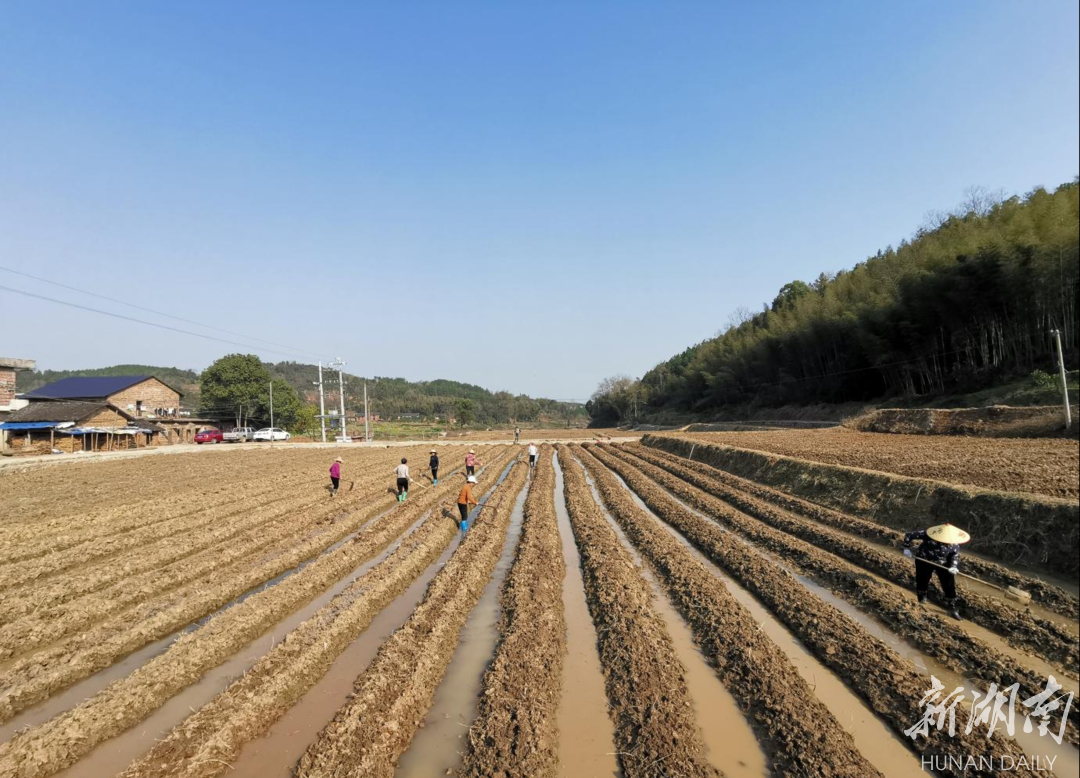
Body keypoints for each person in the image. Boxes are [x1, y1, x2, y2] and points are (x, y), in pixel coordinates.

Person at [903, 522, 970, 620]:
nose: (949, 543)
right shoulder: (930, 534)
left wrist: (954, 566)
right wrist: (906, 548)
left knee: (949, 584)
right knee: (922, 579)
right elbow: (909, 535)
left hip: (943, 563)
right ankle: (922, 600)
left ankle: (952, 608)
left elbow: (954, 555)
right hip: (924, 559)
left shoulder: (955, 544)